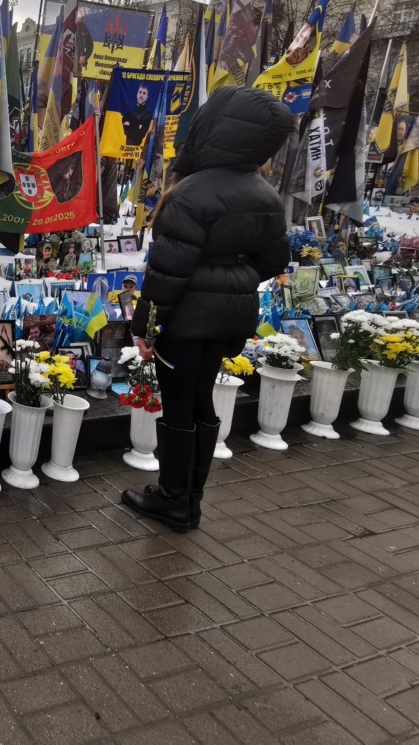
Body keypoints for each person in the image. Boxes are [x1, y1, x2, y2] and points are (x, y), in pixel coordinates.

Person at [121, 85, 291, 534]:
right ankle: (190, 499)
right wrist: (230, 281)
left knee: (179, 404)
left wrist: (145, 329)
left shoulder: (190, 193)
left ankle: (175, 500)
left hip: (184, 320)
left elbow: (166, 275)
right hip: (227, 319)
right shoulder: (266, 195)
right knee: (201, 400)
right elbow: (273, 261)